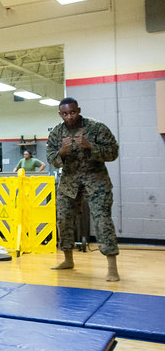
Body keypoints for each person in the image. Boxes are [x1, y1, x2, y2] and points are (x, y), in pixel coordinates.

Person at [47, 97, 120, 282]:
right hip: (69, 182)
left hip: (96, 181)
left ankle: (112, 267)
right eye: (65, 113)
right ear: (60, 114)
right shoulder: (56, 133)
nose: (69, 116)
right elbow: (51, 160)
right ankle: (67, 260)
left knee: (102, 221)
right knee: (63, 219)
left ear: (78, 110)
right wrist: (62, 151)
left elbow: (113, 152)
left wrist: (90, 146)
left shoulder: (96, 128)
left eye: (72, 112)